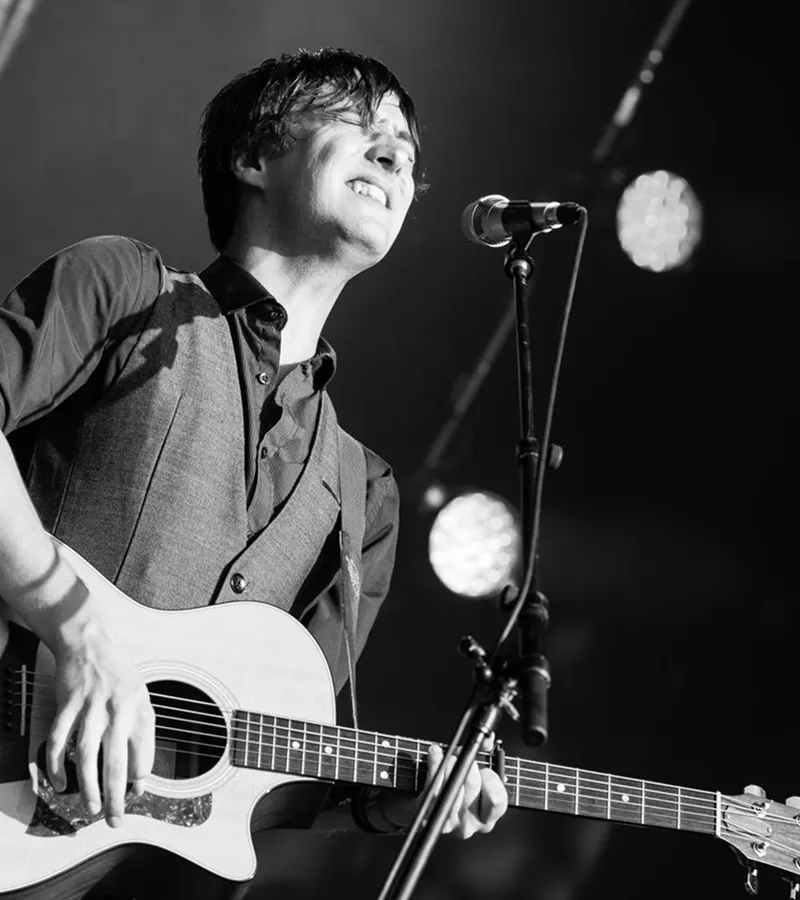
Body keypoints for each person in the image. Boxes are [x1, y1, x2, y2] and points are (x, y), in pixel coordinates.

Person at [0, 47, 508, 898]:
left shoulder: (365, 497)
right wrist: (78, 629)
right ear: (253, 157)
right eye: (359, 123)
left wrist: (391, 803)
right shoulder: (123, 288)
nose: (395, 155)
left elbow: (268, 761)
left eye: (407, 151)